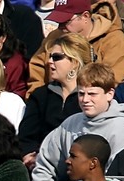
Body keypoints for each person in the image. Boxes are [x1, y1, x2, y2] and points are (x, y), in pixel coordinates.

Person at [31, 63, 124, 181]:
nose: (85, 100)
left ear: (109, 94)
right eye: (81, 93)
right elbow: (46, 163)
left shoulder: (121, 128)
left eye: (92, 94)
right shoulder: (71, 123)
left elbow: (116, 178)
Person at [22, 32, 90, 165]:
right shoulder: (41, 95)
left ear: (75, 62)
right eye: (50, 57)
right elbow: (26, 138)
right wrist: (31, 156)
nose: (49, 61)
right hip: (41, 164)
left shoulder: (90, 97)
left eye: (56, 57)